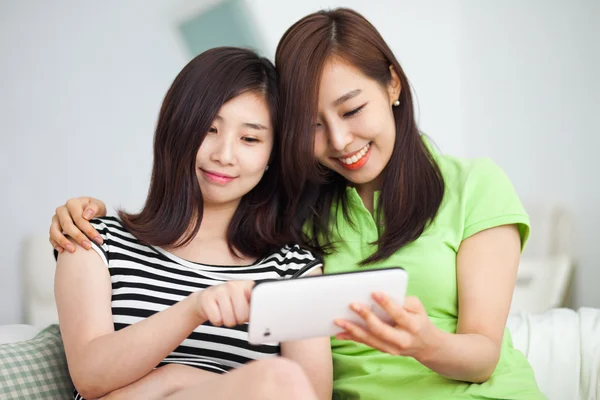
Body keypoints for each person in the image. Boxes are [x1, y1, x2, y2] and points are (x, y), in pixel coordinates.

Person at [49, 8, 544, 400]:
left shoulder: (471, 184)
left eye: (352, 110)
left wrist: (420, 343)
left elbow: (481, 354)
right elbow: (92, 372)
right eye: (311, 124)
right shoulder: (298, 213)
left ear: (392, 84)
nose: (340, 139)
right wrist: (78, 213)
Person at [52, 47, 332, 400]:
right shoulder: (91, 239)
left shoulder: (292, 272)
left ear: (271, 157)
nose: (223, 155)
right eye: (209, 129)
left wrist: (176, 380)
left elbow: (309, 396)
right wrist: (196, 309)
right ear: (178, 129)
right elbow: (90, 377)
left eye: (250, 138)